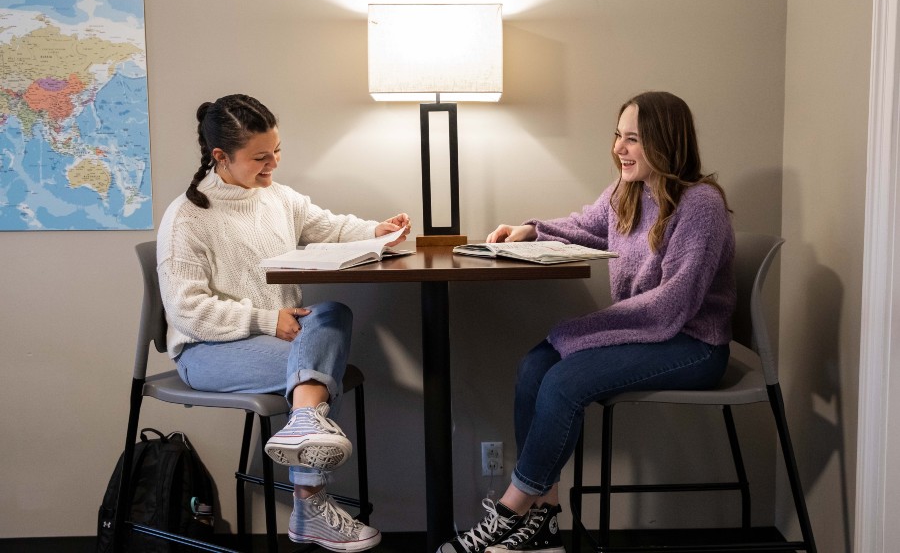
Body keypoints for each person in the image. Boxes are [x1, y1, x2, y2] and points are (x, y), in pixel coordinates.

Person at [439, 91, 735, 553]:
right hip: (649, 335)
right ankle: (545, 518)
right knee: (534, 367)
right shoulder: (627, 192)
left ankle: (509, 511)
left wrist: (586, 328)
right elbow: (586, 224)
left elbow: (673, 305)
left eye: (633, 139)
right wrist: (531, 230)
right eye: (618, 136)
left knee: (564, 380)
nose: (619, 148)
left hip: (694, 345)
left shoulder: (700, 205)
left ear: (665, 142)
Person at [157, 93, 410, 552]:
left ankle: (304, 421)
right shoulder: (187, 218)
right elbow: (187, 311)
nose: (273, 164)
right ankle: (310, 501)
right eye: (260, 157)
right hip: (206, 352)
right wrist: (265, 319)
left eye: (277, 151)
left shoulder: (278, 198)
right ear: (221, 156)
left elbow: (328, 227)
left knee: (333, 311)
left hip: (286, 339)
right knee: (315, 366)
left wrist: (377, 230)